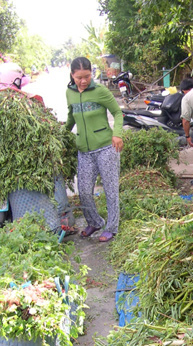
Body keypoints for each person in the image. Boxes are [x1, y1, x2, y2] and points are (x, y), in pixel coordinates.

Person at [65, 56, 124, 242]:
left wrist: (117, 134)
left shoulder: (100, 91)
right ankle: (95, 222)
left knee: (110, 189)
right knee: (83, 191)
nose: (83, 81)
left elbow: (117, 112)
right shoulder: (70, 92)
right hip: (84, 150)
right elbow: (71, 116)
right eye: (79, 77)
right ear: (72, 75)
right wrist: (61, 132)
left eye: (87, 76)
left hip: (106, 147)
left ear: (92, 73)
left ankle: (112, 227)